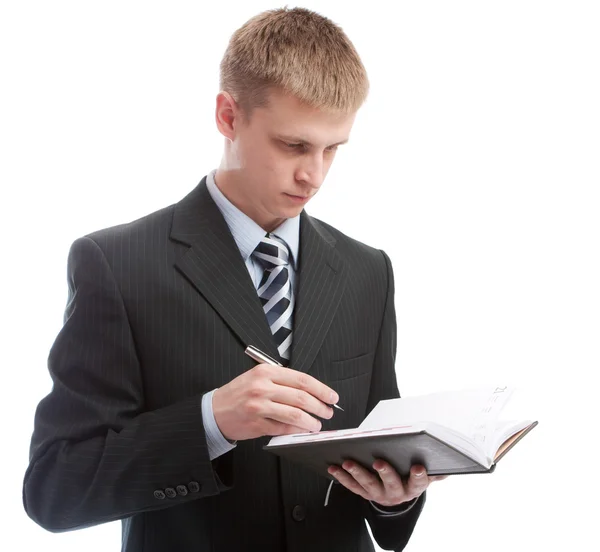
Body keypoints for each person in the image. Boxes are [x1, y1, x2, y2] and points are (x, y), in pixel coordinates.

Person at [23, 7, 445, 552]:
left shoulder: (369, 271)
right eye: (293, 145)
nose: (314, 175)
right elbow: (55, 490)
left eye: (332, 148)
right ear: (228, 116)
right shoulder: (116, 264)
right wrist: (210, 422)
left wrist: (396, 497)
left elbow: (379, 454)